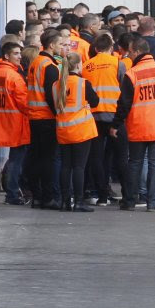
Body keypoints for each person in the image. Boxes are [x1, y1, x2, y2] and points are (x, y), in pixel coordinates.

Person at [111, 36, 155, 212]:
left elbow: (124, 104)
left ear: (137, 52)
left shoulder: (132, 74)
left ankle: (129, 201)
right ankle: (153, 203)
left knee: (135, 162)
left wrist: (116, 124)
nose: (129, 54)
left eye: (130, 51)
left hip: (139, 125)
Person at [82, 34, 128, 207]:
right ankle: (127, 195)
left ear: (95, 49)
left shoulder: (86, 66)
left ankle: (101, 195)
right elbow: (124, 89)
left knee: (97, 157)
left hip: (93, 116)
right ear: (111, 48)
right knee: (121, 156)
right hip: (114, 115)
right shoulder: (117, 64)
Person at [51, 52, 99, 212]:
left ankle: (65, 201)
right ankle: (78, 201)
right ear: (79, 65)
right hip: (81, 130)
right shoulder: (83, 83)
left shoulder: (56, 85)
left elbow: (54, 106)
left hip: (63, 130)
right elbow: (95, 101)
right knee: (79, 167)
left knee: (65, 166)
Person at [0, 42, 31, 205]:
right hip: (16, 123)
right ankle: (12, 194)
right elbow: (25, 103)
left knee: (14, 159)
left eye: (20, 53)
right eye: (16, 53)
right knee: (16, 160)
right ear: (6, 55)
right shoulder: (14, 76)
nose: (20, 57)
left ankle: (12, 192)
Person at [26, 30, 65, 210]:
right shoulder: (49, 66)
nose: (63, 47)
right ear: (52, 45)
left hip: (34, 116)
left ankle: (38, 196)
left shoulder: (36, 62)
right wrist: (58, 113)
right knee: (49, 159)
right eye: (61, 44)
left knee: (37, 158)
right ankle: (49, 197)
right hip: (46, 117)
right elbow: (51, 95)